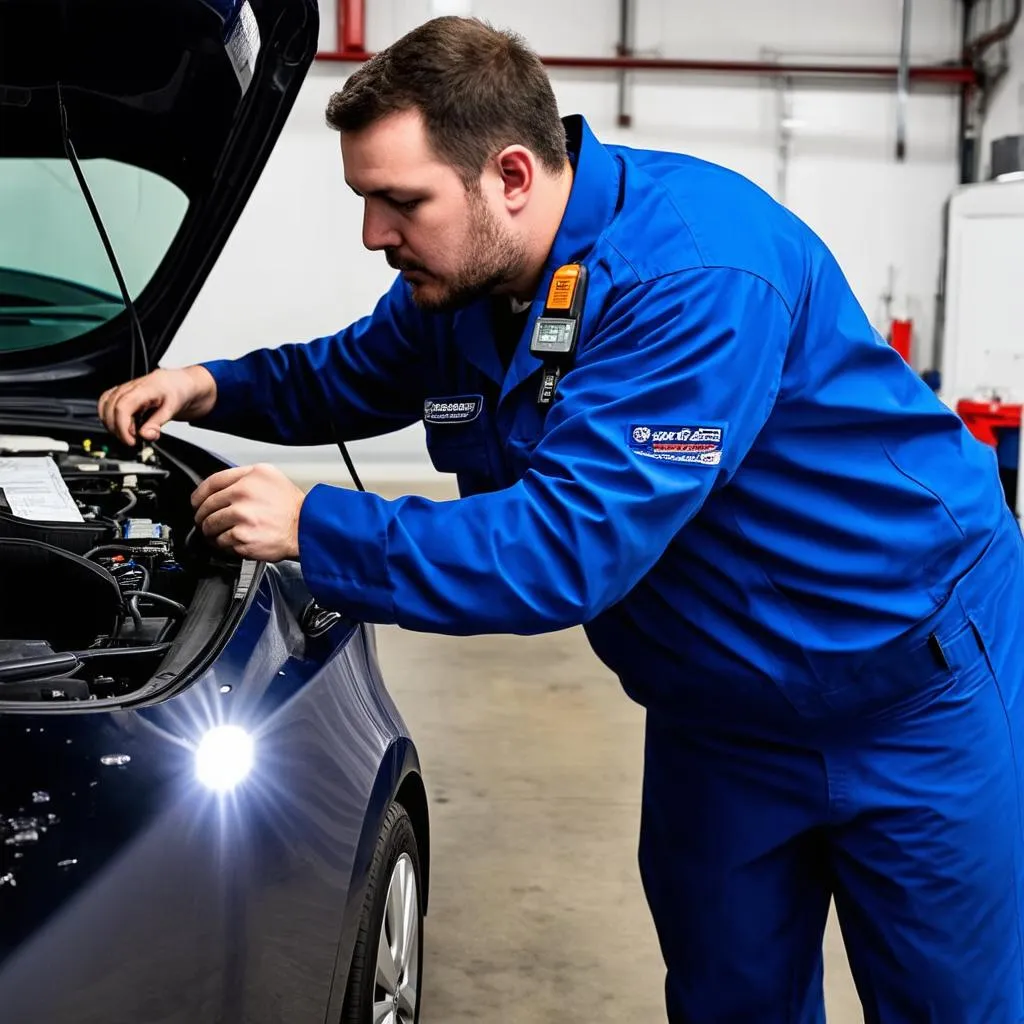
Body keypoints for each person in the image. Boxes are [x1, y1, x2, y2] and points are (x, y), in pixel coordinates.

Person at [98, 15, 1024, 1023]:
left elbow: (560, 549)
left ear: (509, 176)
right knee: (728, 999)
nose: (374, 235)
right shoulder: (462, 285)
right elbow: (345, 376)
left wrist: (318, 526)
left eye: (398, 202)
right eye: (365, 200)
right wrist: (203, 385)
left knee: (951, 1003)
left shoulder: (693, 277)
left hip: (905, 684)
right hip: (713, 703)